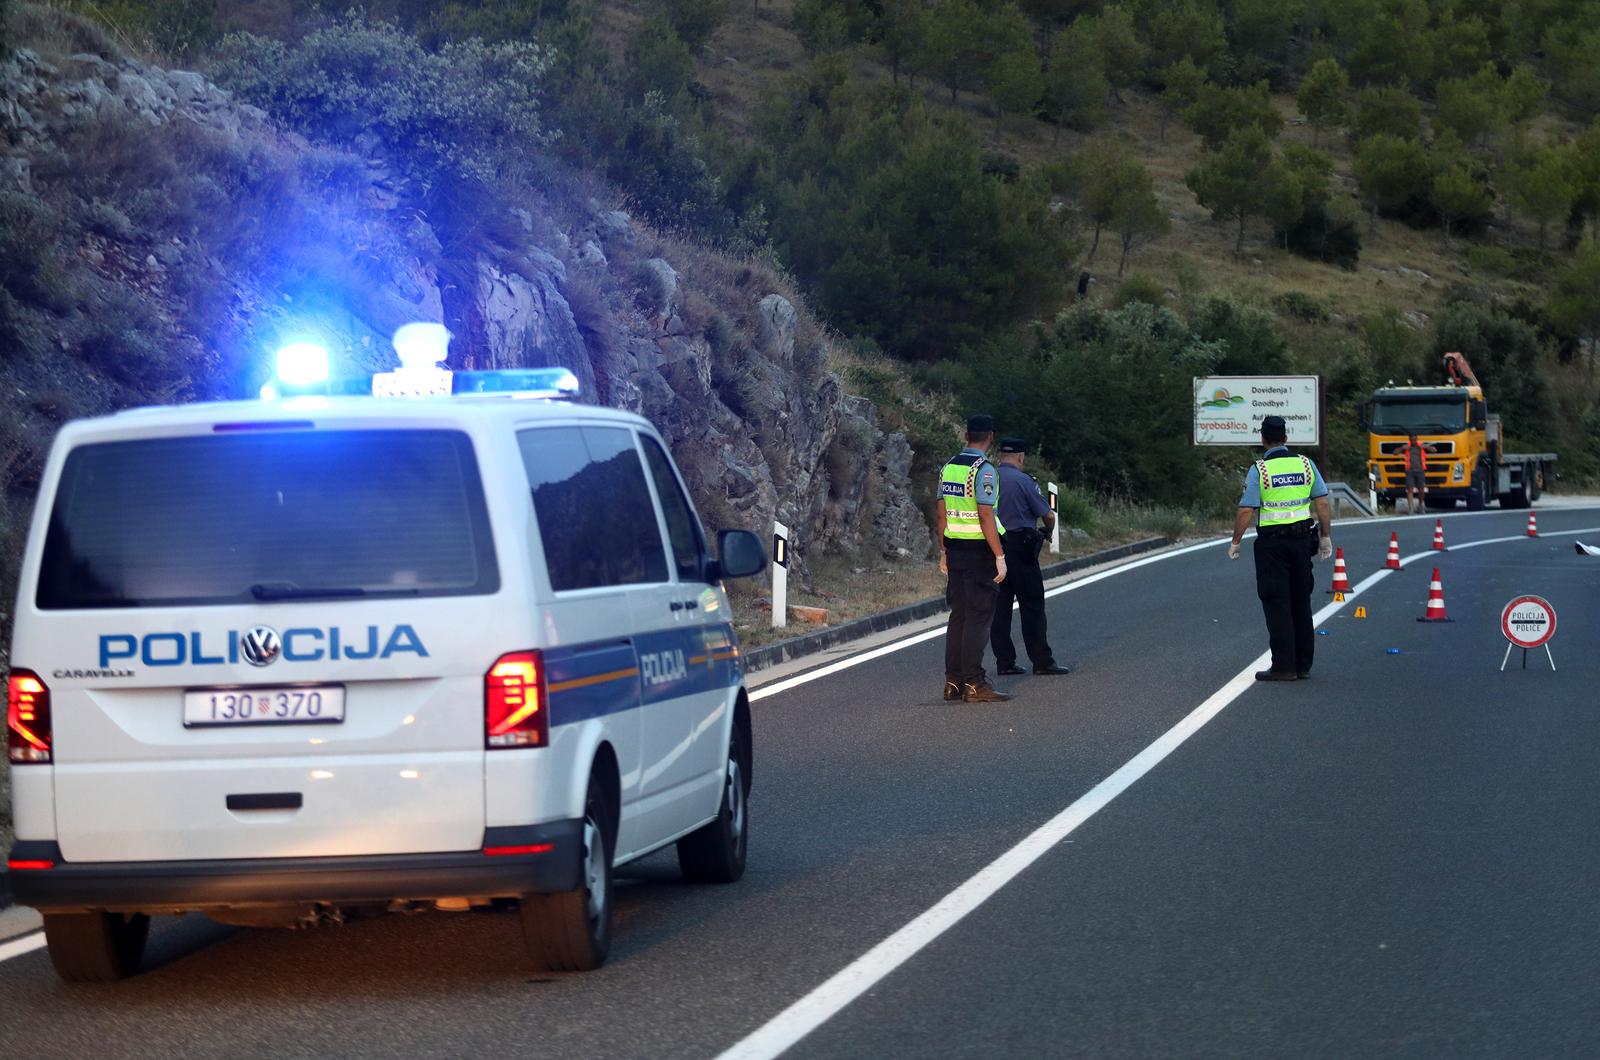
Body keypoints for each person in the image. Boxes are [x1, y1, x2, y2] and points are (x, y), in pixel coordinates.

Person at [1228, 415, 1333, 681]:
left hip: (1272, 545)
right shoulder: (1306, 465)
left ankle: (1284, 667)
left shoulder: (1260, 470)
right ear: (1286, 438)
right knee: (1301, 601)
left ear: (1263, 439)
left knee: (1277, 602)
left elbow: (1246, 509)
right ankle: (1303, 665)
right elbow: (1322, 503)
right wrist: (1326, 536)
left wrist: (1236, 541)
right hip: (1301, 542)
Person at [938, 415, 1009, 704]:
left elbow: (941, 514)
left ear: (966, 434)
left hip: (955, 549)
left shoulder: (948, 468)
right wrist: (999, 555)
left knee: (959, 615)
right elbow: (985, 514)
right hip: (979, 552)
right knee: (979, 618)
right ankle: (975, 683)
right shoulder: (985, 470)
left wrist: (943, 551)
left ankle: (953, 681)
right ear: (990, 436)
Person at [989, 437, 1070, 678]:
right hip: (1021, 549)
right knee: (1032, 606)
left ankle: (1005, 661)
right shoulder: (1023, 481)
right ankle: (1042, 661)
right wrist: (1047, 531)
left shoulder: (988, 478)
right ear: (1021, 457)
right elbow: (1047, 514)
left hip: (995, 549)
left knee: (999, 608)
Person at [1402, 431, 1428, 514]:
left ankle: (1420, 506)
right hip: (1410, 471)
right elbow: (1394, 453)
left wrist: (1425, 447)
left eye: (1415, 439)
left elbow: (1434, 450)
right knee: (1410, 489)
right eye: (1411, 440)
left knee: (1421, 490)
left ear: (1417, 439)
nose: (1413, 441)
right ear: (1409, 439)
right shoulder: (1407, 447)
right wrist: (1402, 448)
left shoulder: (1420, 446)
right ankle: (1411, 508)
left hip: (1420, 470)